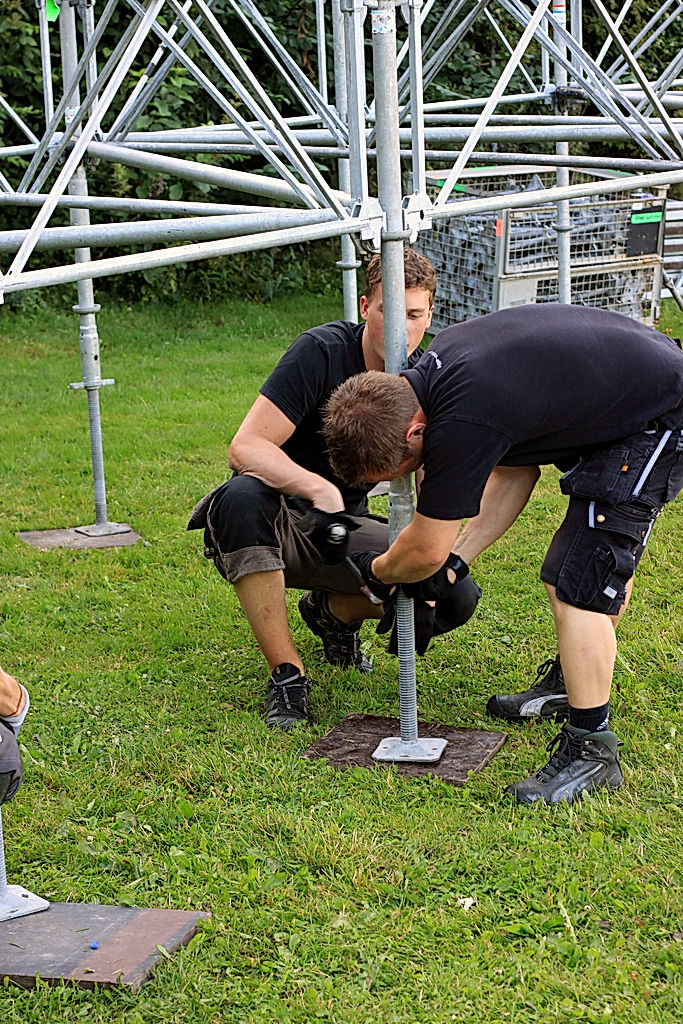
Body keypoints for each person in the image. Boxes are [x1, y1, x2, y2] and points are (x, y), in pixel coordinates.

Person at [322, 303, 683, 804]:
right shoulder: (436, 375)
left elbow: (424, 548)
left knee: (579, 584)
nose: (402, 484)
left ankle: (592, 750)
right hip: (629, 391)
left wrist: (377, 572)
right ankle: (568, 684)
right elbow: (517, 472)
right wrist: (455, 564)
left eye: (397, 474)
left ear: (412, 433)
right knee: (581, 574)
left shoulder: (460, 420)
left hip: (657, 416)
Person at [188, 249, 481, 731]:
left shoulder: (433, 376)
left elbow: (436, 490)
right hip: (276, 520)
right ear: (366, 306)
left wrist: (428, 563)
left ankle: (331, 615)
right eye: (390, 312)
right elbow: (246, 447)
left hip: (343, 532)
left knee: (454, 592)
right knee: (241, 496)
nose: (402, 328)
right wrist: (319, 491)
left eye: (414, 314)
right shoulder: (322, 350)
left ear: (431, 315)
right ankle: (287, 673)